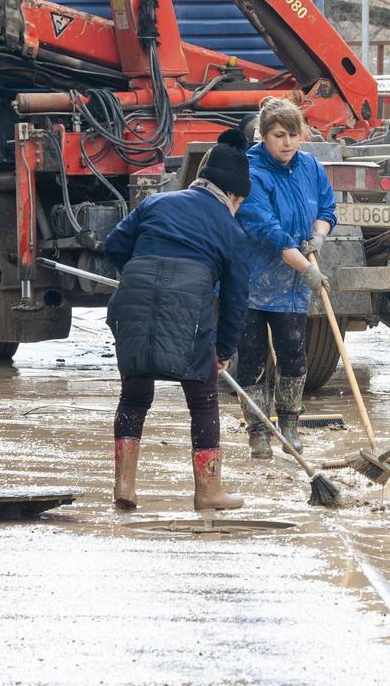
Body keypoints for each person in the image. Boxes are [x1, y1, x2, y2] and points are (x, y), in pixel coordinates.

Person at [104, 143, 251, 511]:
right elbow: (236, 300)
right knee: (202, 401)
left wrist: (140, 271)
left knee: (135, 396)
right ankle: (208, 491)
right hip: (189, 305)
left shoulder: (157, 202)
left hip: (133, 297)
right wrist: (225, 350)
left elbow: (113, 246)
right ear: (233, 193)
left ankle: (124, 486)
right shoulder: (231, 230)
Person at [234, 97, 335, 459]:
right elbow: (269, 232)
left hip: (290, 285)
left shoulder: (309, 166)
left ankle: (290, 423)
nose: (288, 143)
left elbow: (326, 207)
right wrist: (307, 269)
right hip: (251, 279)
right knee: (252, 357)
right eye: (279, 135)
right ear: (263, 134)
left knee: (294, 352)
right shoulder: (251, 172)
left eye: (294, 135)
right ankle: (258, 431)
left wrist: (320, 234)